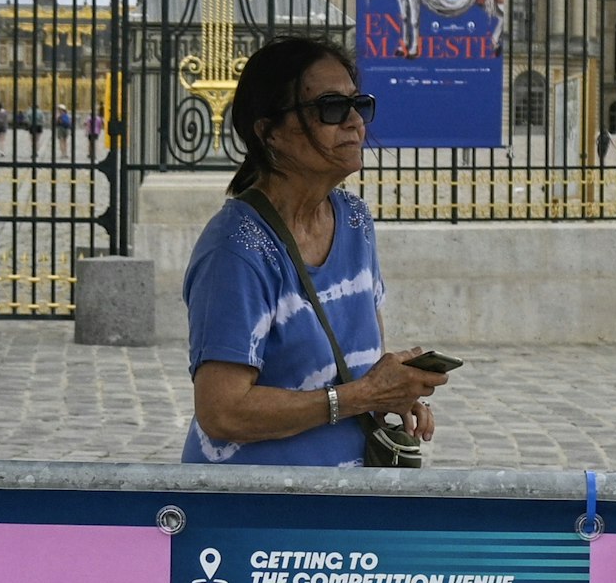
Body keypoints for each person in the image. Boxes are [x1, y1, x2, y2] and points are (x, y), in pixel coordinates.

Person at [182, 35, 447, 467]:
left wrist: (391, 391)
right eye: (330, 108)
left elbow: (353, 369)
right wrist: (363, 395)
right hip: (256, 512)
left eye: (358, 104)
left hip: (342, 509)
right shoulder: (236, 249)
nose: (355, 123)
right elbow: (222, 411)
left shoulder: (355, 220)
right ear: (270, 132)